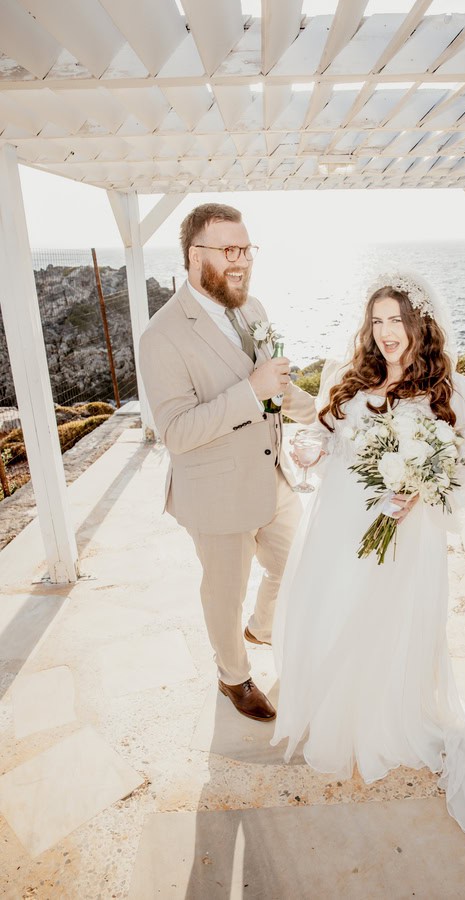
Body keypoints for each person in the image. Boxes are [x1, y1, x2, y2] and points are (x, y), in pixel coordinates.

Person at [271, 273, 465, 860]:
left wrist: (423, 493)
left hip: (409, 536)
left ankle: (388, 715)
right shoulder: (353, 379)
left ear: (420, 324)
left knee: (390, 620)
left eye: (397, 321)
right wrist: (311, 447)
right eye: (376, 321)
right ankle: (340, 708)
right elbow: (327, 440)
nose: (386, 334)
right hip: (341, 525)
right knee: (338, 611)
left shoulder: (451, 392)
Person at [139, 203, 316, 722]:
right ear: (196, 256)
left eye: (247, 249)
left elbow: (274, 389)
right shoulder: (162, 336)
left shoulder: (251, 308)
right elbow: (176, 432)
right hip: (215, 494)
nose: (242, 261)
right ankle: (233, 677)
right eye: (230, 250)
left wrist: (326, 411)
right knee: (224, 595)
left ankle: (262, 627)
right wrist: (249, 392)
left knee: (299, 563)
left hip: (272, 475)